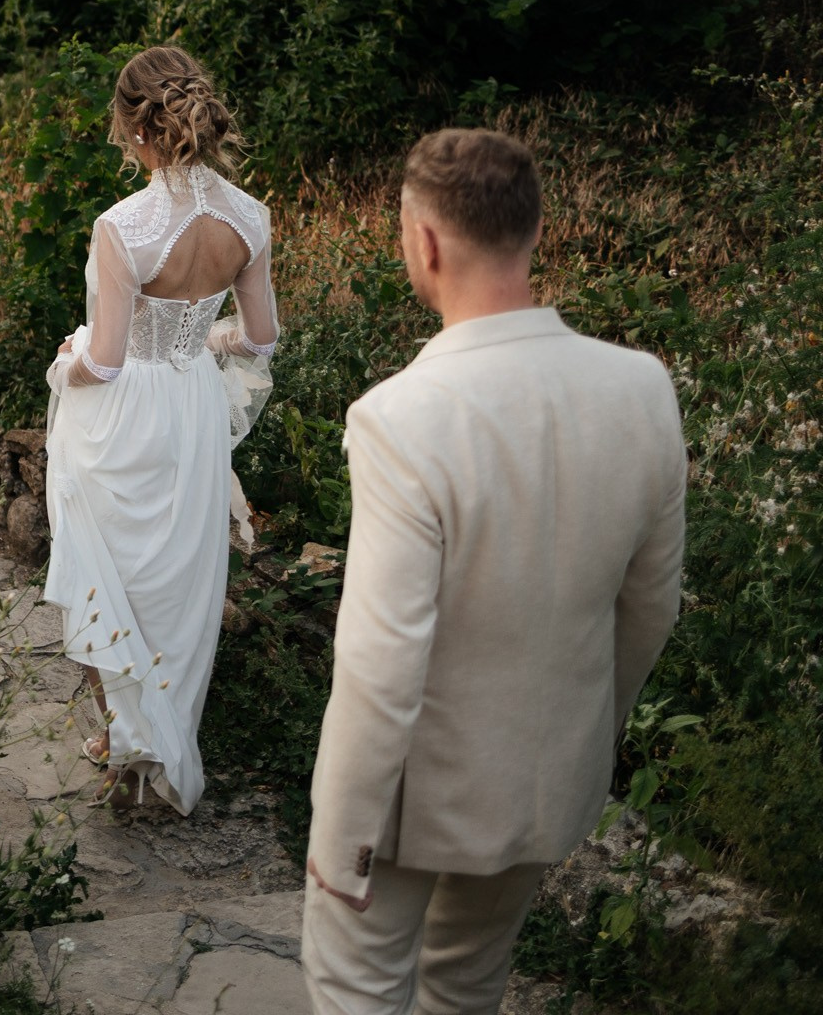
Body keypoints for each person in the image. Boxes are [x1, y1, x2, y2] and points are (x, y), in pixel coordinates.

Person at [302, 129, 688, 1015]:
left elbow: (380, 664)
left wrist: (345, 837)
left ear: (423, 242)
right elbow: (651, 608)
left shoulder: (401, 418)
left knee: (356, 987)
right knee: (468, 987)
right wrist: (585, 736)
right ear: (536, 230)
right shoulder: (641, 388)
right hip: (548, 780)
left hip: (409, 804)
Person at [43, 46, 279, 813]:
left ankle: (122, 737)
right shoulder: (249, 217)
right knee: (177, 581)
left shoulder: (123, 227)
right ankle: (158, 738)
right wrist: (196, 343)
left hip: (125, 417)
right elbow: (258, 336)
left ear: (132, 126)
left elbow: (107, 362)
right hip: (192, 409)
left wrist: (67, 360)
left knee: (106, 572)